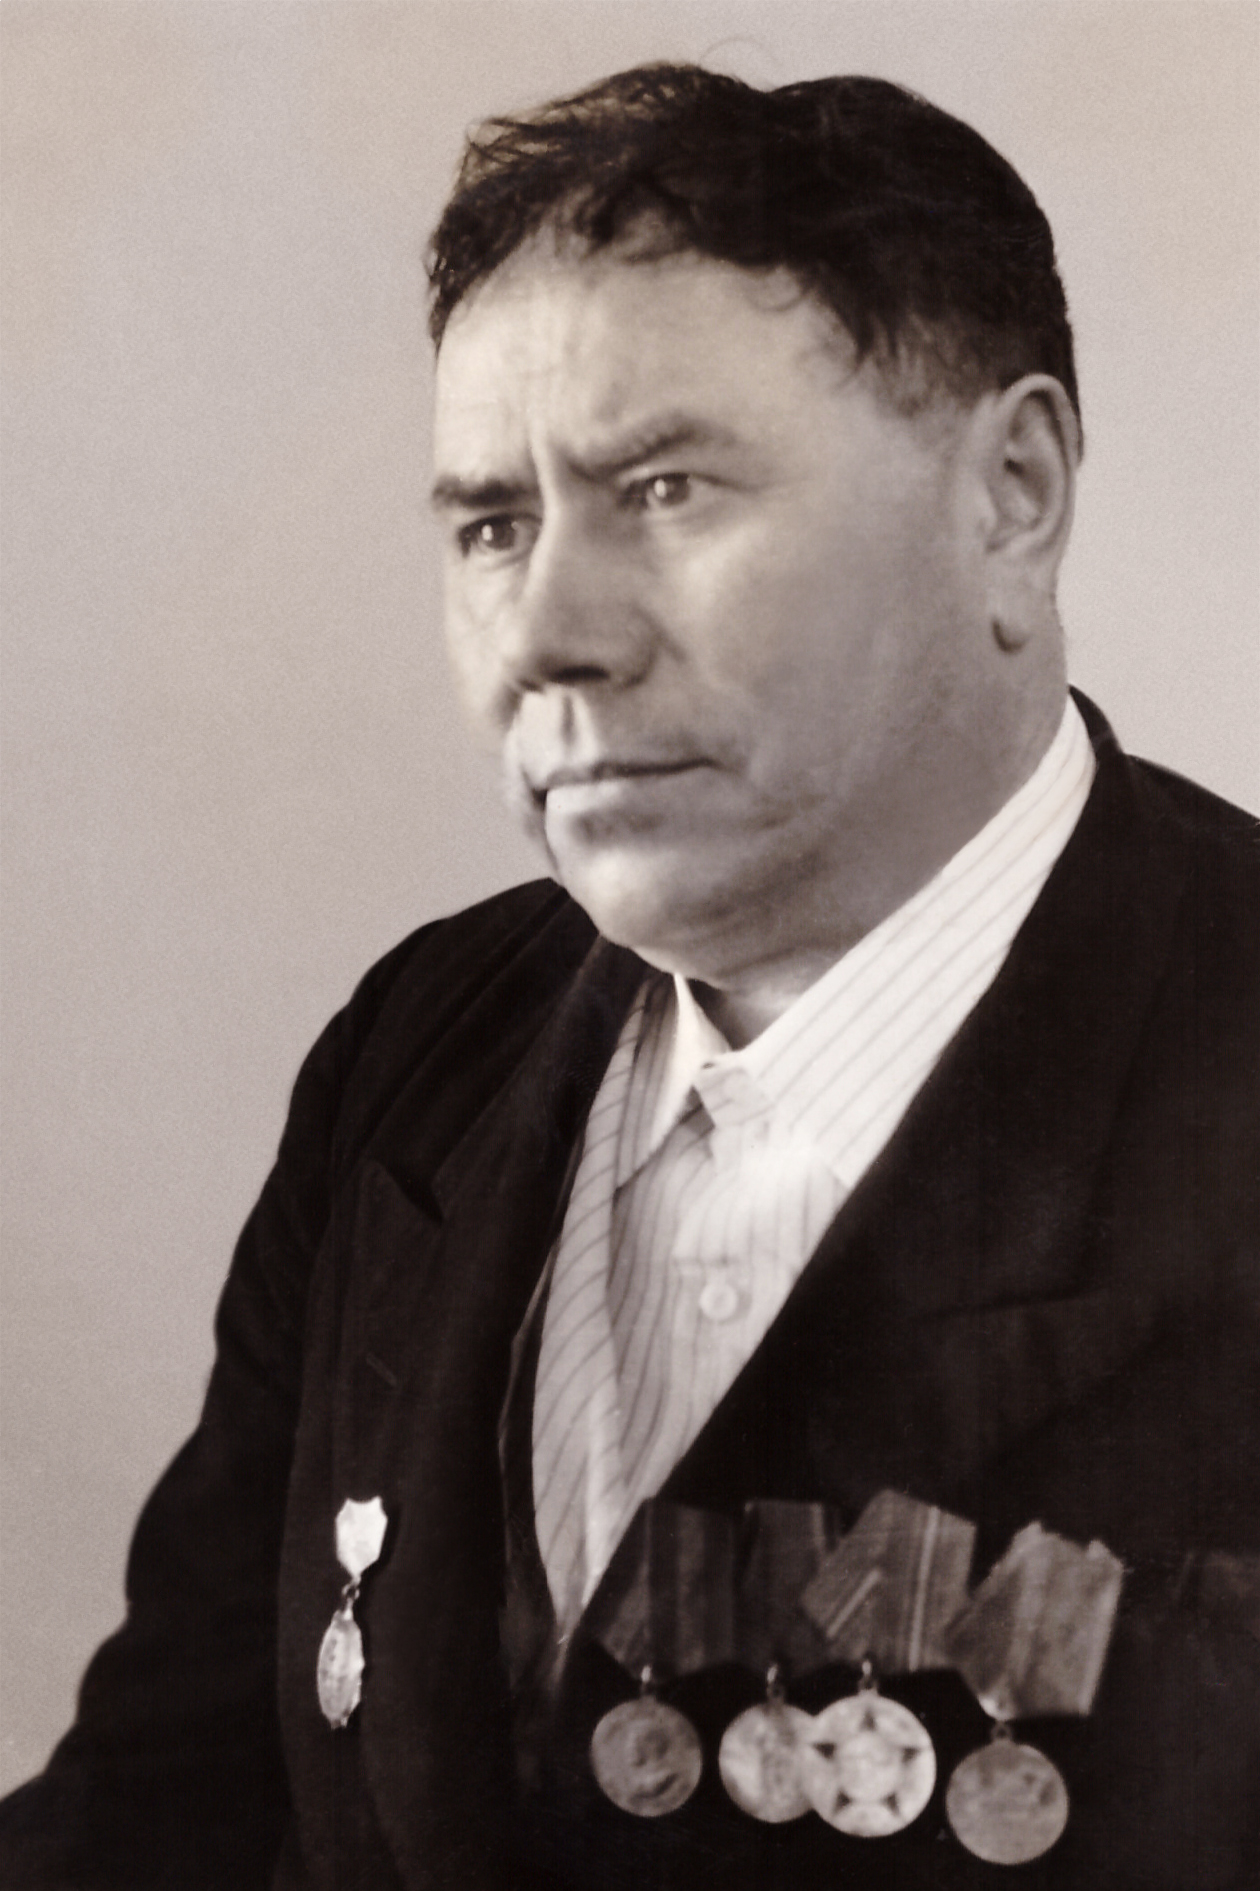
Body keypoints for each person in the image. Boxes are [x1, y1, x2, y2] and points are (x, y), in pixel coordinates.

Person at [1, 61, 1257, 1891]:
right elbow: (161, 1813)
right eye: (492, 525)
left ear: (1014, 495)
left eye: (665, 489)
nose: (547, 635)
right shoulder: (421, 1057)